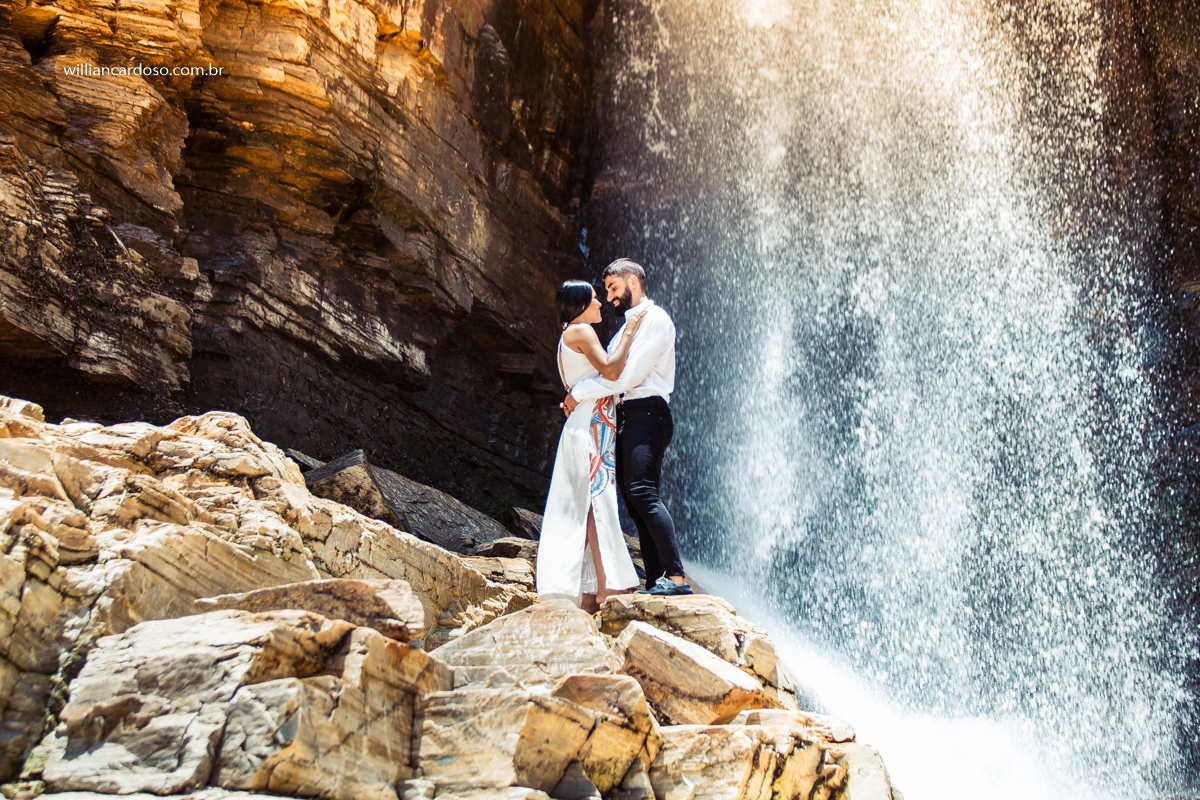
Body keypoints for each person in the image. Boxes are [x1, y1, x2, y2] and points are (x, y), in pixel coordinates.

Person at [562, 258, 693, 596]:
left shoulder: (654, 319)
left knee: (643, 493)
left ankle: (677, 578)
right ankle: (656, 579)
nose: (609, 297)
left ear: (633, 282)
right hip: (628, 417)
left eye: (613, 288)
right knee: (634, 501)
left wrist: (581, 392)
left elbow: (628, 377)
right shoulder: (627, 326)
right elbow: (609, 372)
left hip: (648, 412)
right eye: (605, 291)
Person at [537, 279, 645, 610]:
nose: (600, 304)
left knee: (585, 506)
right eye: (595, 299)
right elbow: (612, 371)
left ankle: (585, 591)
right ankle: (608, 585)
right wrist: (629, 332)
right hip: (590, 426)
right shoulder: (581, 331)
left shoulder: (568, 336)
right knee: (598, 502)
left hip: (584, 422)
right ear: (581, 303)